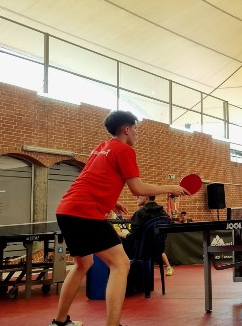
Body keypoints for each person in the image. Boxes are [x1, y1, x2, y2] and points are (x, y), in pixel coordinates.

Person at [50, 110, 189, 326]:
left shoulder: (99, 148)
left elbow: (90, 178)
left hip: (66, 209)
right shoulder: (124, 150)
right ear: (126, 129)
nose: (136, 133)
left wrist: (111, 202)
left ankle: (59, 322)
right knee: (121, 264)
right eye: (135, 128)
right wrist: (171, 187)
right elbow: (138, 189)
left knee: (82, 263)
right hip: (85, 212)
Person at [118, 195, 174, 276]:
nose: (135, 198)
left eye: (138, 196)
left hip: (141, 252)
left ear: (146, 197)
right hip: (158, 250)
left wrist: (119, 233)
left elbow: (132, 237)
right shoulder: (163, 213)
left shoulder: (140, 213)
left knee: (120, 243)